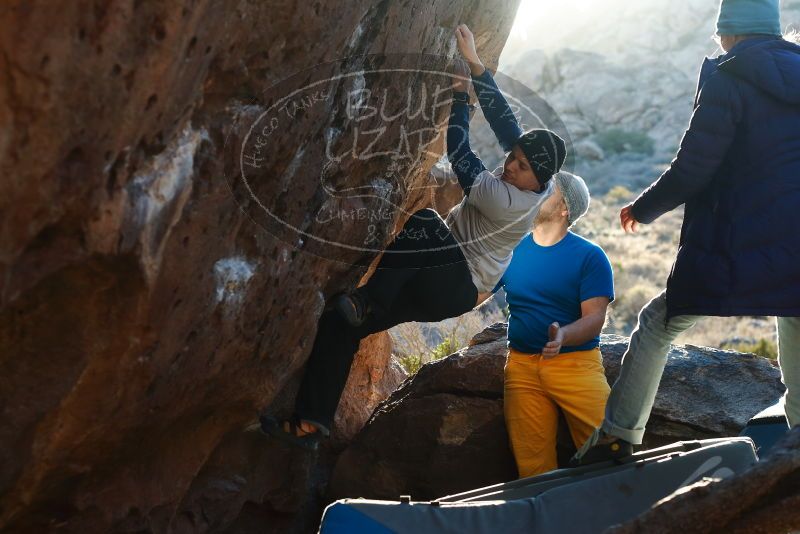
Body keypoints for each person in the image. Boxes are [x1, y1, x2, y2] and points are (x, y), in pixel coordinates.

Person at [260, 24, 568, 449]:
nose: (510, 166)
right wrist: (476, 63)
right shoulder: (541, 179)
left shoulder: (506, 201)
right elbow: (506, 123)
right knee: (341, 322)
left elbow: (459, 151)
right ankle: (311, 424)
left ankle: (370, 299)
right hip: (435, 271)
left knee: (425, 222)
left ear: (538, 180)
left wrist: (461, 97)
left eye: (520, 167)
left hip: (455, 284)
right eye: (512, 159)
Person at [574, 0, 800, 465]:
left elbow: (692, 168)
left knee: (658, 324)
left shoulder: (730, 76)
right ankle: (794, 459)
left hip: (739, 245)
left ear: (729, 32)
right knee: (794, 330)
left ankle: (617, 437)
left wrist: (644, 208)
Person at [493, 172, 614, 477]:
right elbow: (478, 291)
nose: (538, 191)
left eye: (548, 190)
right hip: (521, 368)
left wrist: (563, 336)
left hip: (576, 366)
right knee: (532, 471)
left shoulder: (590, 256)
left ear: (564, 209)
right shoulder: (511, 247)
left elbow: (595, 318)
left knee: (610, 455)